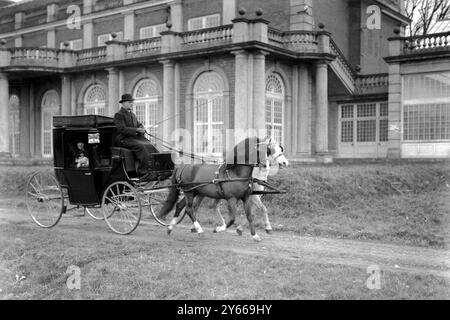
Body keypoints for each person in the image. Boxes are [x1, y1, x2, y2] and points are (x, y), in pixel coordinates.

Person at [114, 93, 158, 181]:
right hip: (123, 139)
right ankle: (143, 172)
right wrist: (137, 130)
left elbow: (139, 124)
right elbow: (122, 129)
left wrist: (141, 128)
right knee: (141, 146)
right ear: (123, 103)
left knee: (150, 145)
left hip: (134, 138)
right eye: (129, 102)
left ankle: (157, 169)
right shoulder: (119, 115)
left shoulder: (133, 115)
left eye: (132, 102)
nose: (131, 104)